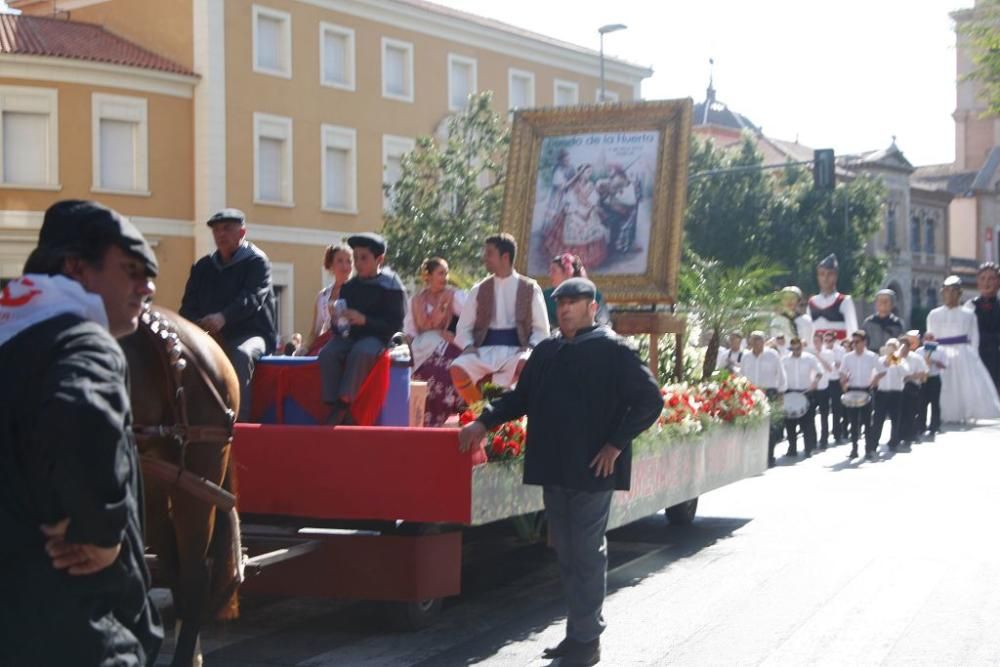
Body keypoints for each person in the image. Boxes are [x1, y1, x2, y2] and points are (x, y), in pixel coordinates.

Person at [457, 277, 662, 667]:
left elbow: (650, 401)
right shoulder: (548, 350)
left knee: (585, 553)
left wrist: (615, 445)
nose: (564, 308)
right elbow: (521, 398)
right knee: (567, 554)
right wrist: (484, 422)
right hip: (555, 466)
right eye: (560, 302)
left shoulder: (614, 350)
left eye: (573, 301)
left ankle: (587, 639)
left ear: (592, 306)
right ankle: (578, 634)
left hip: (592, 469)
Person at [0, 200, 163, 666]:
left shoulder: (15, 335)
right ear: (76, 267)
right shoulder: (83, 341)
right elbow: (82, 410)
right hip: (78, 628)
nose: (146, 287)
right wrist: (100, 530)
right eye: (130, 270)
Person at [180, 208, 277, 421]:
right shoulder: (203, 267)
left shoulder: (256, 262)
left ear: (242, 233)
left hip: (251, 333)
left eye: (227, 229)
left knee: (241, 355)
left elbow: (252, 298)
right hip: (209, 335)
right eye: (216, 230)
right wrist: (198, 323)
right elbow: (188, 305)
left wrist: (223, 317)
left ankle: (237, 423)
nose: (220, 234)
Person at [450, 234, 549, 405]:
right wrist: (468, 346)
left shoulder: (530, 288)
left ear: (505, 257)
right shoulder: (479, 289)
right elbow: (464, 327)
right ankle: (480, 411)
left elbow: (541, 329)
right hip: (484, 352)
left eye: (489, 253)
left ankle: (516, 415)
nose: (484, 258)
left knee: (527, 364)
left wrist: (531, 348)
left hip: (518, 351)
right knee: (457, 368)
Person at [319, 232, 407, 425]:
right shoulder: (350, 286)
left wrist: (365, 320)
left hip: (379, 337)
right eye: (355, 258)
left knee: (361, 352)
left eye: (364, 258)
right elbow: (341, 330)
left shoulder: (391, 286)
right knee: (328, 353)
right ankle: (331, 402)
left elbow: (394, 324)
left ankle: (344, 403)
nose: (358, 263)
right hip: (352, 335)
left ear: (379, 259)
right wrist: (337, 318)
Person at [926, 275, 1000, 423]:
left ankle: (965, 412)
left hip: (963, 353)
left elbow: (974, 338)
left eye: (954, 291)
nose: (950, 295)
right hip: (941, 353)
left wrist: (973, 357)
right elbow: (930, 337)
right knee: (944, 385)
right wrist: (930, 356)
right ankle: (940, 414)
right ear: (942, 293)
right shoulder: (934, 314)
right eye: (947, 291)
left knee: (964, 385)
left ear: (959, 293)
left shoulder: (968, 314)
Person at [404, 257, 466, 426]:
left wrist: (455, 335)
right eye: (440, 273)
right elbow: (409, 331)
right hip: (420, 346)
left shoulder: (452, 296)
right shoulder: (415, 301)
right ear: (428, 276)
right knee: (414, 376)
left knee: (443, 374)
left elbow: (471, 317)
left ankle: (441, 422)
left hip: (443, 344)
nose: (445, 277)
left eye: (446, 273)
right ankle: (418, 422)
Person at [740, 330, 788, 467]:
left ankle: (769, 455)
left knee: (769, 426)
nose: (756, 342)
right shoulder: (746, 357)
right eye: (754, 339)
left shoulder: (772, 355)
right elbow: (742, 375)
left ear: (763, 341)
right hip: (751, 394)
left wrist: (781, 393)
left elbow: (781, 373)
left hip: (769, 392)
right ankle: (753, 456)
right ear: (750, 342)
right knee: (752, 424)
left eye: (759, 339)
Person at [305, 243, 354, 355]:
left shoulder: (359, 291)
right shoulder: (323, 296)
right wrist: (304, 348)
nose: (345, 266)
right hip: (328, 345)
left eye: (349, 261)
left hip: (351, 345)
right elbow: (315, 331)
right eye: (340, 261)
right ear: (331, 265)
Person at [839, 330, 879, 460]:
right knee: (854, 422)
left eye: (857, 342)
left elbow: (882, 370)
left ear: (864, 342)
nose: (854, 344)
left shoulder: (872, 356)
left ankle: (868, 449)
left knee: (868, 422)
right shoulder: (847, 357)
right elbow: (842, 372)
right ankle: (854, 448)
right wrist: (843, 381)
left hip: (866, 389)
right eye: (853, 342)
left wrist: (874, 381)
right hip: (852, 389)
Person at [543, 253, 608, 328]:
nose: (550, 275)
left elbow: (604, 324)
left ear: (567, 272)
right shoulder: (547, 297)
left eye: (553, 271)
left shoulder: (594, 296)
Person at [781, 337, 821, 458]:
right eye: (793, 349)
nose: (796, 351)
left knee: (807, 423)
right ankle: (792, 448)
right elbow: (780, 375)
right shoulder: (784, 360)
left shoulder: (809, 358)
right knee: (790, 423)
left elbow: (819, 372)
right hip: (790, 392)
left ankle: (809, 448)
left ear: (801, 347)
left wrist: (815, 382)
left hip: (806, 392)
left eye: (798, 348)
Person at [869, 338, 907, 456]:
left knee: (896, 419)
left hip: (896, 393)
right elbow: (874, 375)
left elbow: (905, 373)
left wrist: (895, 360)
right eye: (889, 346)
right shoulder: (879, 360)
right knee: (878, 420)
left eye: (893, 347)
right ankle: (873, 444)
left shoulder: (900, 361)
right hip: (882, 392)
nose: (890, 349)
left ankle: (893, 443)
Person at [808, 253, 858, 342]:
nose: (825, 278)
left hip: (839, 350)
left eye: (829, 274)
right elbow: (808, 331)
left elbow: (852, 329)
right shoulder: (812, 302)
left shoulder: (844, 300)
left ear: (836, 276)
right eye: (822, 274)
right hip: (816, 351)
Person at [969, 262, 1000, 391]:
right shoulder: (970, 307)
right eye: (983, 278)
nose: (986, 283)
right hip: (976, 360)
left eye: (991, 279)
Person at [898, 331, 929, 446]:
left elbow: (924, 374)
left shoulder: (916, 358)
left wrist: (910, 376)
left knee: (910, 412)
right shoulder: (895, 357)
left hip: (912, 387)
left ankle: (910, 435)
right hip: (897, 388)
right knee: (899, 413)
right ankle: (898, 435)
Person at [917, 332, 947, 437]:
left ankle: (935, 425)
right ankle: (921, 426)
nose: (929, 340)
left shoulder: (941, 350)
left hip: (934, 377)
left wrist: (934, 361)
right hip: (923, 379)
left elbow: (945, 365)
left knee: (935, 403)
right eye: (927, 338)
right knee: (921, 403)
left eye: (931, 338)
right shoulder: (919, 351)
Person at [810, 331, 837, 448]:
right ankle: (812, 439)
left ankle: (824, 439)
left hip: (824, 386)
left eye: (817, 341)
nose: (815, 343)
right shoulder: (809, 354)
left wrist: (818, 356)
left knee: (824, 415)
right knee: (810, 414)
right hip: (812, 387)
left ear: (821, 342)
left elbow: (830, 368)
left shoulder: (828, 353)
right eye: (814, 341)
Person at [861, 288, 905, 354]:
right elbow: (862, 342)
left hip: (891, 357)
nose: (883, 303)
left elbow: (902, 343)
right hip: (872, 357)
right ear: (876, 303)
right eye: (880, 300)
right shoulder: (868, 322)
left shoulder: (897, 323)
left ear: (892, 304)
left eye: (886, 301)